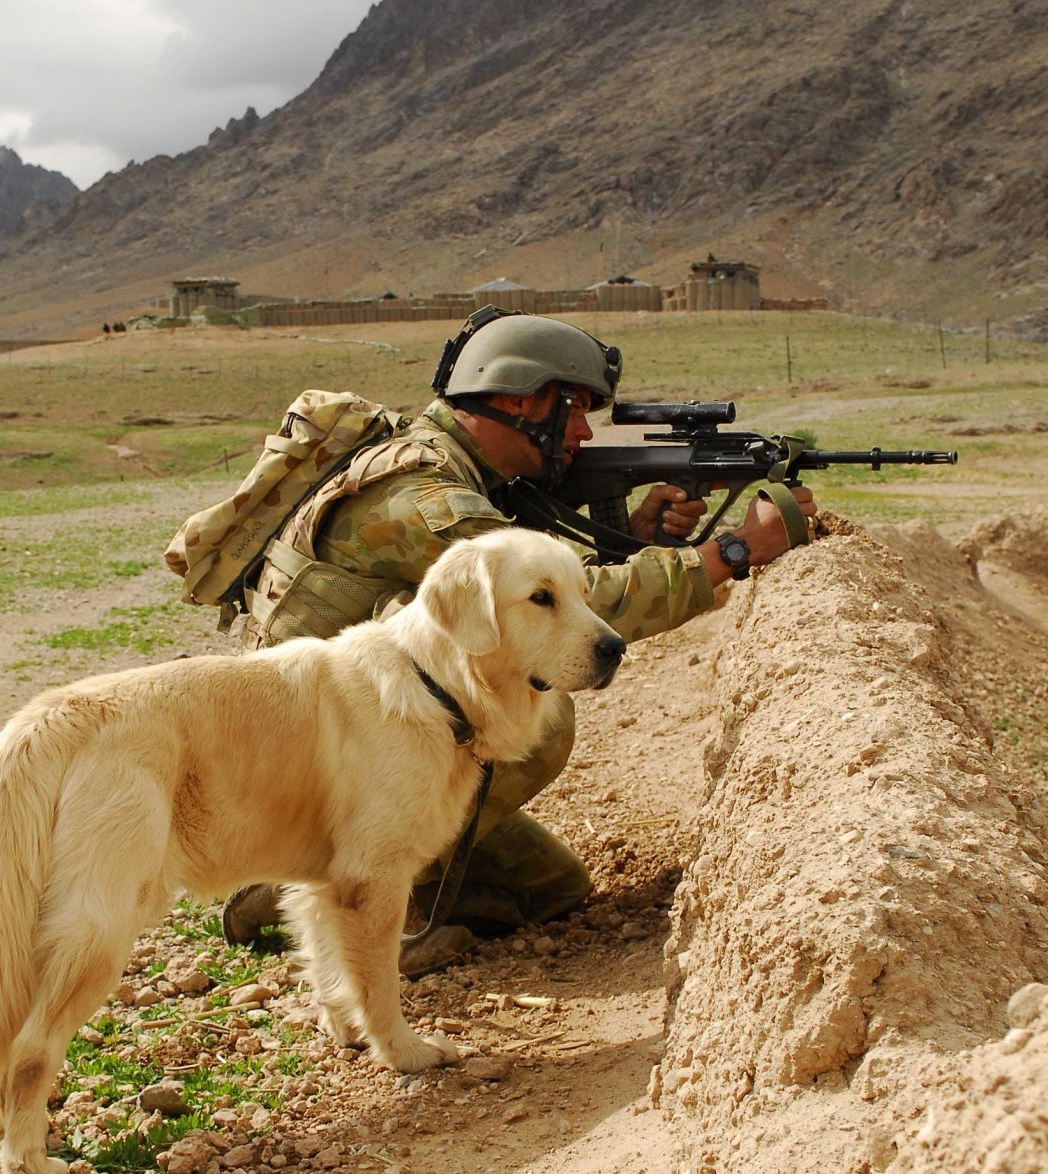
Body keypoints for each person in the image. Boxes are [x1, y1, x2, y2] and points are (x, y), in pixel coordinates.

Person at [222, 307, 817, 972]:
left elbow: (568, 588)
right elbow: (559, 611)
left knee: (549, 891)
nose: (587, 431)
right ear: (521, 399)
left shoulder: (464, 472)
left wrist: (648, 536)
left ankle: (396, 883)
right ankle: (308, 878)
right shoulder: (422, 494)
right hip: (319, 763)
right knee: (539, 709)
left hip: (363, 742)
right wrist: (735, 550)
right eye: (576, 409)